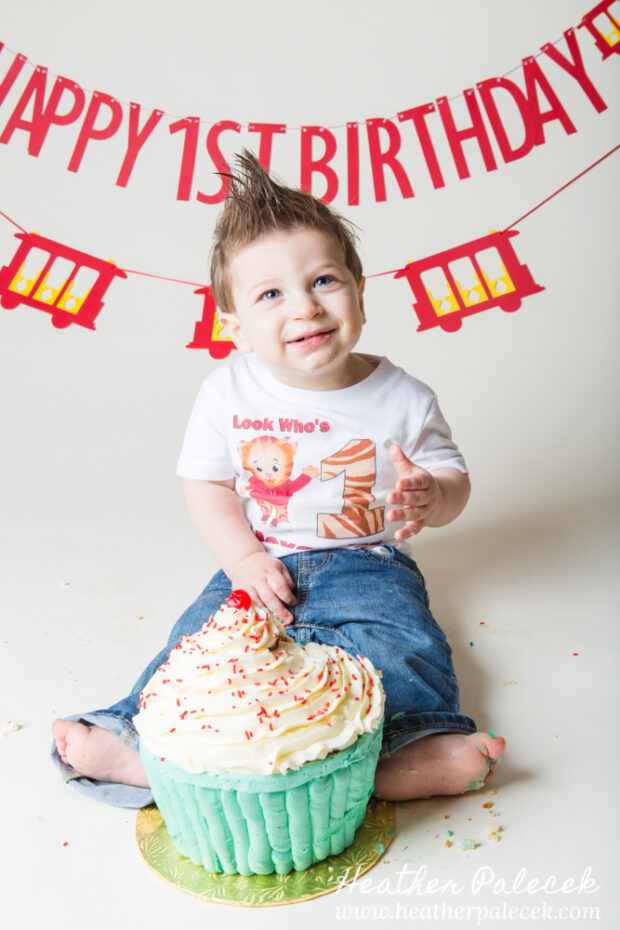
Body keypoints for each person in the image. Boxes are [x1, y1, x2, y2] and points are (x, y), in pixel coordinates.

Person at [52, 152, 505, 806]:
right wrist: (241, 559)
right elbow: (205, 485)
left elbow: (452, 480)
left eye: (324, 281)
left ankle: (409, 747)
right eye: (271, 295)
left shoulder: (402, 398)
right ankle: (142, 742)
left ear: (359, 289)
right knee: (197, 645)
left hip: (368, 562)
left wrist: (432, 496)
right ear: (234, 327)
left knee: (399, 640)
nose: (306, 309)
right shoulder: (227, 391)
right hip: (260, 559)